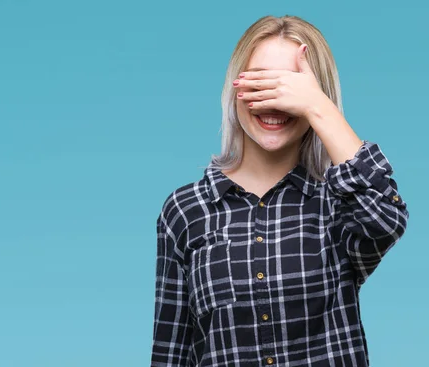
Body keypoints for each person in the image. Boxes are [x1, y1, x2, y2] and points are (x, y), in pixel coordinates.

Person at [150, 15, 409, 367]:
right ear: (234, 87)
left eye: (290, 86)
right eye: (260, 81)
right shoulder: (185, 210)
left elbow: (385, 219)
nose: (274, 101)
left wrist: (318, 107)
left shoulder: (337, 203)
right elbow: (171, 353)